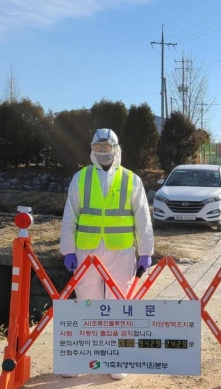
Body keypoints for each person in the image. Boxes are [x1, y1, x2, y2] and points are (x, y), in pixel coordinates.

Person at [59, 128, 154, 381]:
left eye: (107, 148)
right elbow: (71, 216)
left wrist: (146, 252)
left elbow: (142, 217)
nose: (103, 153)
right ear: (92, 149)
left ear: (116, 148)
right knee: (87, 304)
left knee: (118, 305)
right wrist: (68, 249)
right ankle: (82, 358)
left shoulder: (131, 180)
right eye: (98, 148)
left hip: (120, 252)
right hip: (86, 251)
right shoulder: (81, 178)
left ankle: (116, 358)